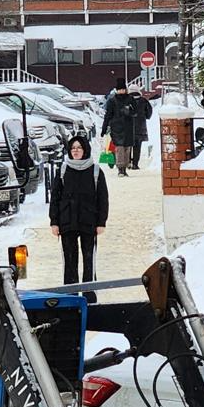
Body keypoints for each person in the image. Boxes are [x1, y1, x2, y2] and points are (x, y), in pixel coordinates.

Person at [49, 136, 108, 286]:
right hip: (67, 222)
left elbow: (103, 199)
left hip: (89, 222)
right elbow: (55, 197)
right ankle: (71, 294)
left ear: (85, 150)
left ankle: (89, 295)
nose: (75, 151)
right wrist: (54, 222)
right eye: (73, 148)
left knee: (89, 261)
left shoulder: (95, 171)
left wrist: (101, 222)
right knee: (69, 261)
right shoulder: (63, 170)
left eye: (79, 148)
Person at [102, 78, 141, 177]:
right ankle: (120, 168)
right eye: (119, 90)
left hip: (128, 127)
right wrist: (104, 128)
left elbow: (136, 112)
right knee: (119, 148)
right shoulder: (112, 101)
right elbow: (108, 115)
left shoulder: (130, 99)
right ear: (116, 90)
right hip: (116, 128)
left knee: (127, 149)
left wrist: (129, 112)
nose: (121, 91)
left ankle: (125, 166)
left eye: (123, 89)